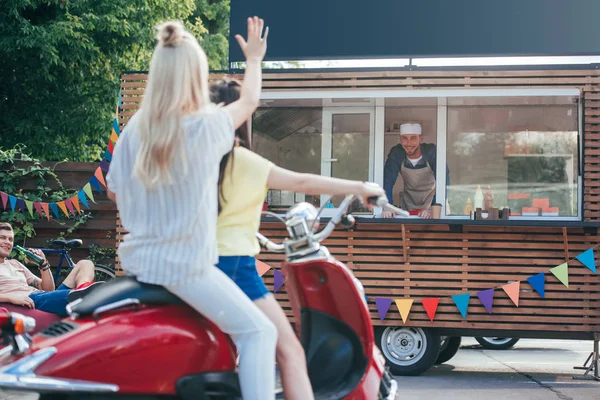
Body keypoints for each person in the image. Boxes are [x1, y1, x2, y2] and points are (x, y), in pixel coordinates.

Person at [105, 18, 278, 400]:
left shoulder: (134, 128)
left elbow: (114, 192)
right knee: (260, 332)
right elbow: (248, 101)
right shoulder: (206, 125)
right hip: (186, 267)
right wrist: (254, 58)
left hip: (138, 262)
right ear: (196, 75)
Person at [211, 78, 386, 400]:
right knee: (289, 350)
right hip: (236, 267)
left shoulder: (200, 161)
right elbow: (303, 180)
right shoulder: (244, 161)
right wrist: (360, 187)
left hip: (204, 266)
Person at [0, 222, 100, 316]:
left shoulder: (15, 263)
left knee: (85, 264)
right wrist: (11, 298)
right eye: (3, 238)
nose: (7, 242)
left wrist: (43, 265)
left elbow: (48, 289)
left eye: (10, 239)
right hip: (30, 299)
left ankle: (81, 290)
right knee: (87, 295)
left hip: (42, 296)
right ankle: (82, 295)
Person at [382, 122, 441, 219]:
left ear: (420, 139)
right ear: (400, 139)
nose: (409, 143)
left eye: (413, 138)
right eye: (405, 138)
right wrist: (387, 206)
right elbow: (387, 181)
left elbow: (443, 181)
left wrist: (432, 208)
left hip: (431, 202)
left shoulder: (431, 152)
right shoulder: (397, 153)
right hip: (409, 203)